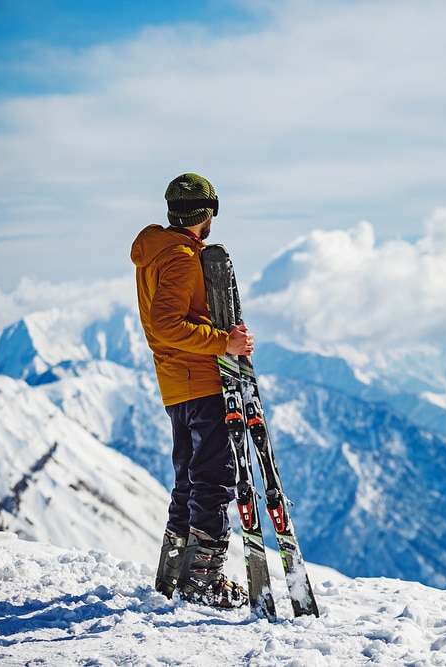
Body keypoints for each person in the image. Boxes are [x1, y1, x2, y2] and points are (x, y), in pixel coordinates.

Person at [130, 172, 253, 608]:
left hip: (176, 386)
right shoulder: (181, 258)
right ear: (209, 213)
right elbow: (167, 324)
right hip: (200, 382)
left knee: (189, 480)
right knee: (214, 480)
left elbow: (163, 323)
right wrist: (226, 342)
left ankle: (174, 575)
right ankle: (203, 581)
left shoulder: (156, 255)